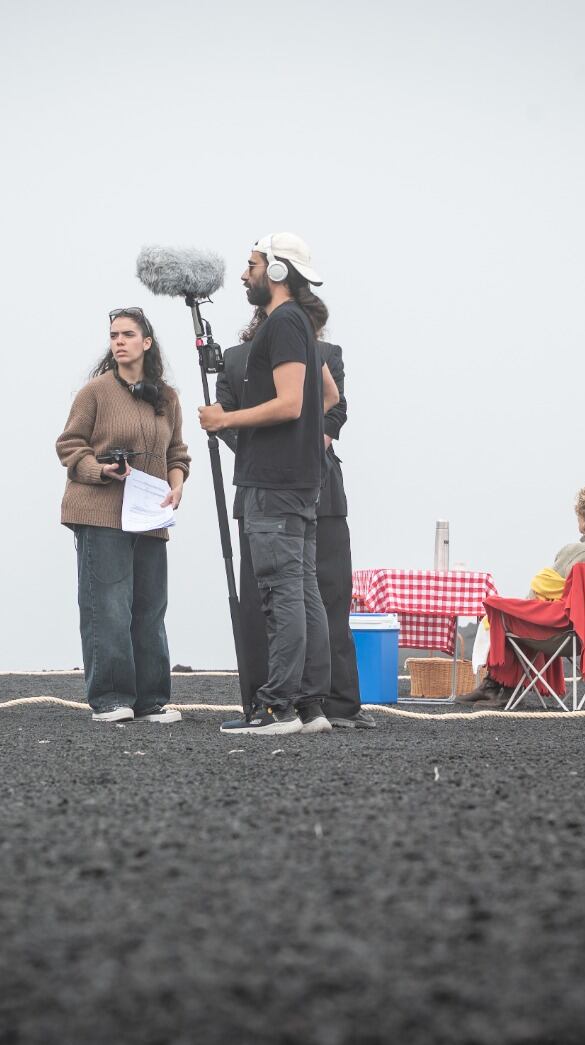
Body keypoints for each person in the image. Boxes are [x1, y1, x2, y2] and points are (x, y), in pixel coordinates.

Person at [197, 233, 339, 736]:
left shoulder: (281, 323)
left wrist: (226, 420)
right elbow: (327, 393)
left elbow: (291, 403)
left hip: (273, 484)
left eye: (252, 264)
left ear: (277, 271)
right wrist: (299, 441)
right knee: (302, 593)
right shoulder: (299, 324)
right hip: (297, 481)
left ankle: (279, 707)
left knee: (282, 593)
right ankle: (308, 707)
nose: (244, 273)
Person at [217, 335, 373, 730]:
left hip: (316, 495)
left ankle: (327, 704)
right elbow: (225, 419)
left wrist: (294, 449)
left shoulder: (324, 353)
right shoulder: (236, 360)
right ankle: (273, 701)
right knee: (271, 601)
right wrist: (268, 453)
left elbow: (335, 409)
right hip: (268, 491)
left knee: (323, 597)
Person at [55, 308, 191, 723]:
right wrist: (100, 469)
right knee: (108, 606)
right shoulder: (94, 392)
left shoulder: (167, 398)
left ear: (146, 343)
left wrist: (177, 483)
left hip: (149, 515)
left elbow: (177, 454)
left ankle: (152, 701)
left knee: (150, 608)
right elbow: (68, 446)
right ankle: (112, 699)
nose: (119, 341)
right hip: (99, 510)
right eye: (114, 335)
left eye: (128, 334)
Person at [459, 482, 585, 705]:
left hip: (565, 634)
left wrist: (521, 609)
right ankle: (499, 686)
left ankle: (499, 685)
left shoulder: (573, 553)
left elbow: (540, 589)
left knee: (503, 612)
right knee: (522, 616)